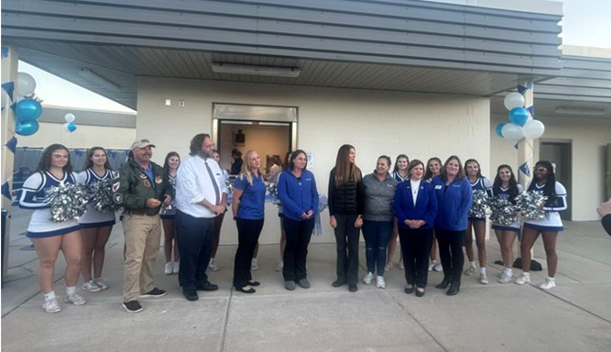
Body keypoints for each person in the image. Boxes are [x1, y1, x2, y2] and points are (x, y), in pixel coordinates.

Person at [19, 144, 86, 313]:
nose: (62, 159)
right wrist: (49, 203)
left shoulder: (73, 176)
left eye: (65, 156)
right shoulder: (37, 177)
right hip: (44, 226)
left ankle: (71, 293)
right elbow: (22, 201)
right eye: (57, 155)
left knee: (76, 259)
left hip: (70, 224)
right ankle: (49, 298)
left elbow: (81, 195)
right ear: (48, 157)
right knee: (48, 262)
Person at [114, 139, 171, 313]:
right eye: (143, 149)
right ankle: (130, 297)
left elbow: (167, 185)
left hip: (155, 217)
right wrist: (144, 201)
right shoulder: (125, 170)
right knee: (135, 258)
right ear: (134, 151)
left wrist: (168, 194)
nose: (147, 151)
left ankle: (147, 286)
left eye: (149, 148)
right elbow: (119, 196)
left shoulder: (156, 168)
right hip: (136, 218)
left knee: (151, 254)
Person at [175, 134, 227, 301]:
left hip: (210, 217)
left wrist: (223, 202)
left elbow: (222, 185)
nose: (211, 148)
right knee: (190, 253)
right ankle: (188, 284)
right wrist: (213, 206)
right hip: (193, 217)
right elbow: (192, 193)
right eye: (207, 146)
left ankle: (200, 279)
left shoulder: (213, 164)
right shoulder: (187, 166)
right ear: (197, 147)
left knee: (206, 251)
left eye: (211, 145)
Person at [516, 161, 567, 290]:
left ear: (549, 171)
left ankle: (551, 279)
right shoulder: (530, 184)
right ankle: (525, 275)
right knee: (525, 247)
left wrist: (545, 207)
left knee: (550, 250)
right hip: (532, 221)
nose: (538, 172)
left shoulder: (557, 186)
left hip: (550, 222)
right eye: (537, 169)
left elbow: (564, 205)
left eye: (542, 170)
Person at [395, 160, 438, 297]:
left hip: (424, 228)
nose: (419, 171)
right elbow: (397, 206)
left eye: (421, 169)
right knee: (408, 255)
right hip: (406, 227)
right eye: (415, 169)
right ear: (410, 171)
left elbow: (433, 208)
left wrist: (422, 221)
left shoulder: (429, 187)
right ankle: (410, 281)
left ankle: (421, 284)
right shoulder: (402, 187)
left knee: (422, 256)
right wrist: (406, 221)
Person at [277, 149, 318, 290]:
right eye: (300, 159)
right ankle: (289, 276)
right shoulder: (284, 176)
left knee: (303, 247)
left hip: (308, 219)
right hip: (292, 218)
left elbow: (315, 195)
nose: (303, 161)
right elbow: (283, 196)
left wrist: (313, 209)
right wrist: (299, 211)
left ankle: (301, 275)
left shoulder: (309, 176)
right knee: (291, 247)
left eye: (305, 159)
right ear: (293, 160)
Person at [431, 155, 472, 296]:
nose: (453, 167)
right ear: (445, 166)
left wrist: (457, 218)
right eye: (450, 164)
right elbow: (431, 199)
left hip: (456, 225)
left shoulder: (463, 182)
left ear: (459, 168)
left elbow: (467, 202)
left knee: (456, 253)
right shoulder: (437, 180)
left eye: (456, 165)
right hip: (440, 223)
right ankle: (446, 277)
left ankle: (456, 281)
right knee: (443, 251)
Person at [77, 147, 116, 293]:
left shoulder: (113, 174)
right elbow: (76, 195)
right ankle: (87, 280)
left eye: (103, 155)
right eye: (97, 155)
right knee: (87, 249)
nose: (100, 158)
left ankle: (98, 277)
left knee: (100, 247)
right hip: (88, 218)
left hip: (107, 217)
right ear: (91, 158)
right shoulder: (83, 175)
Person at [329, 144, 363, 292]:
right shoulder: (334, 172)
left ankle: (352, 280)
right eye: (351, 153)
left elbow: (362, 197)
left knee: (353, 248)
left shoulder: (357, 172)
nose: (353, 156)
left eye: (354, 153)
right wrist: (332, 216)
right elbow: (331, 196)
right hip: (339, 217)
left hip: (354, 217)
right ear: (344, 154)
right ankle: (341, 277)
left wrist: (360, 216)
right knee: (341, 247)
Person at [232, 150, 266, 293]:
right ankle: (239, 282)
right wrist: (236, 216)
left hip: (259, 217)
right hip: (246, 218)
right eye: (253, 159)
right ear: (248, 162)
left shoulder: (260, 177)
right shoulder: (243, 177)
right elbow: (235, 199)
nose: (257, 161)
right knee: (244, 249)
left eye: (258, 158)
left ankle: (247, 276)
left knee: (251, 248)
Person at [361, 156, 397, 288]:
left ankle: (380, 275)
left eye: (383, 164)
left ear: (388, 167)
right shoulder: (367, 179)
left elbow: (396, 203)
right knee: (370, 247)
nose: (380, 166)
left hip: (385, 221)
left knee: (382, 248)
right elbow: (360, 198)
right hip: (368, 220)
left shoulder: (393, 183)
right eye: (378, 163)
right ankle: (370, 272)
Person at [491, 165, 523, 284]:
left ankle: (509, 271)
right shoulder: (495, 187)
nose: (505, 174)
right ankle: (505, 268)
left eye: (507, 172)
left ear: (511, 173)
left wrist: (512, 210)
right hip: (498, 220)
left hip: (512, 221)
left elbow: (521, 203)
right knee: (502, 245)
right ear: (498, 175)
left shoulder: (518, 187)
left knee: (507, 246)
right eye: (502, 173)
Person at [463, 159, 493, 284]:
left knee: (480, 242)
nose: (472, 169)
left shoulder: (484, 181)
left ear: (478, 167)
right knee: (468, 240)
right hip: (465, 214)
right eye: (469, 167)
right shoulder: (462, 181)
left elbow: (492, 198)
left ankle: (483, 272)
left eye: (475, 166)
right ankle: (472, 266)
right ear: (466, 168)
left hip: (479, 215)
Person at [387, 154, 409, 271]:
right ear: (397, 163)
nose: (402, 164)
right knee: (394, 234)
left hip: (408, 210)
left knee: (404, 236)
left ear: (408, 163)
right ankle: (389, 261)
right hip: (396, 209)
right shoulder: (392, 176)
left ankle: (402, 260)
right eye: (400, 162)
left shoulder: (411, 176)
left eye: (404, 162)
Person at [161, 152, 180, 275]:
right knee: (168, 237)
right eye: (172, 159)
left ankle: (177, 261)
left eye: (177, 160)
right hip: (166, 210)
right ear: (167, 160)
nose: (174, 162)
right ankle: (168, 262)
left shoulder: (183, 174)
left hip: (180, 209)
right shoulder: (161, 175)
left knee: (178, 237)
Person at [209, 149, 227, 272]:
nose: (215, 159)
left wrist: (223, 203)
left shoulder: (223, 172)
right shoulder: (204, 172)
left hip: (219, 208)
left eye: (217, 156)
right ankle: (203, 258)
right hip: (207, 208)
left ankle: (212, 259)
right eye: (213, 156)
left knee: (216, 233)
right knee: (206, 234)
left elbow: (224, 188)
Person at [425, 157, 443, 272]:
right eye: (431, 165)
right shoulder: (426, 180)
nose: (434, 167)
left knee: (442, 239)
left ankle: (443, 261)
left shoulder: (445, 179)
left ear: (440, 165)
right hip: (431, 213)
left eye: (436, 165)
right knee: (432, 238)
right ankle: (433, 261)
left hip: (442, 214)